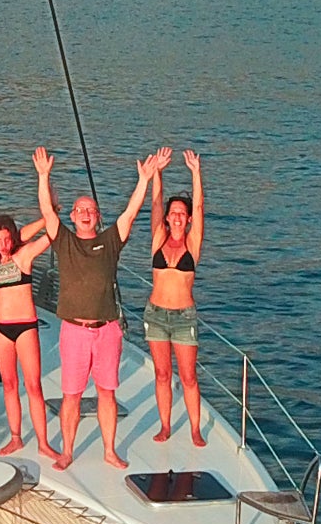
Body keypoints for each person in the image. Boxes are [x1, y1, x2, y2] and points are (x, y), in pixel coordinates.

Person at [35, 145, 160, 470]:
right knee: (72, 395)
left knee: (107, 391)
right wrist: (44, 177)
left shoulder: (110, 241)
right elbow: (48, 213)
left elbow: (131, 213)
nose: (86, 213)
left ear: (98, 216)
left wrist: (144, 180)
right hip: (74, 332)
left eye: (91, 209)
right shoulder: (64, 241)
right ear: (73, 216)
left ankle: (109, 450)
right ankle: (67, 452)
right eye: (80, 210)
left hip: (107, 331)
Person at [147, 148, 207, 446]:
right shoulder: (158, 238)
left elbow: (200, 205)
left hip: (184, 317)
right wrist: (157, 172)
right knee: (161, 374)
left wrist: (196, 172)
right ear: (169, 218)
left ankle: (195, 429)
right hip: (156, 314)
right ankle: (166, 425)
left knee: (188, 377)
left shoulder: (192, 244)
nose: (178, 217)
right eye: (174, 213)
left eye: (182, 214)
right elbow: (156, 203)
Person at [0, 214, 55, 457]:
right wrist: (6, 237)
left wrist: (49, 215)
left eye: (8, 239)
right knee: (9, 384)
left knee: (33, 385)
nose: (4, 244)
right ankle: (16, 437)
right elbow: (15, 235)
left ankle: (43, 443)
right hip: (0, 328)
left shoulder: (23, 256)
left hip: (25, 326)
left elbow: (48, 235)